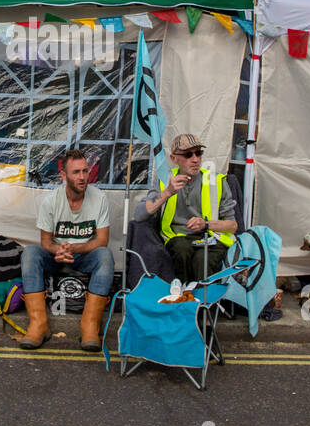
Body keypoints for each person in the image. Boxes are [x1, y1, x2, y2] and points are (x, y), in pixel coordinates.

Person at [19, 149, 113, 351]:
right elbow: (45, 241)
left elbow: (102, 240)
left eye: (85, 171)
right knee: (30, 254)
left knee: (105, 256)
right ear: (64, 176)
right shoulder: (51, 201)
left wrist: (75, 247)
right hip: (57, 256)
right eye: (76, 172)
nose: (82, 177)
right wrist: (57, 250)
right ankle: (38, 325)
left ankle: (89, 327)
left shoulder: (99, 198)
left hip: (84, 256)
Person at [133, 133, 238, 284]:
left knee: (203, 259)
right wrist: (167, 192)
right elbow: (139, 215)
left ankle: (203, 304)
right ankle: (183, 298)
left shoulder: (217, 181)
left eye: (198, 153)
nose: (195, 159)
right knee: (182, 249)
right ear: (174, 159)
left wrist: (206, 224)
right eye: (188, 154)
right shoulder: (165, 181)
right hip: (178, 238)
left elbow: (233, 226)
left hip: (210, 239)